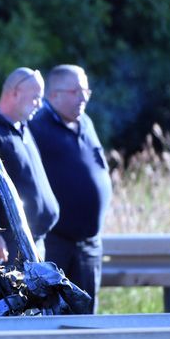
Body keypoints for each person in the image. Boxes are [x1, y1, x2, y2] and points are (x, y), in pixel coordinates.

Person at [30, 65, 112, 309]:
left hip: (88, 244)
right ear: (53, 95)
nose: (84, 96)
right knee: (52, 314)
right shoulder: (37, 126)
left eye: (86, 90)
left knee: (85, 316)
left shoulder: (85, 122)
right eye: (75, 91)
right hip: (56, 243)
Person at [0, 67, 59, 265]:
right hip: (9, 245)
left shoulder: (21, 127)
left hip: (32, 240)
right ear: (15, 93)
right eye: (35, 97)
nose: (39, 104)